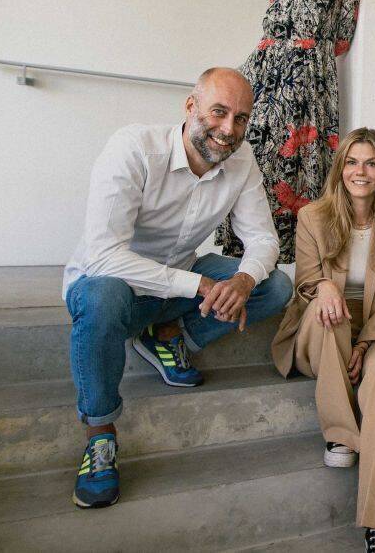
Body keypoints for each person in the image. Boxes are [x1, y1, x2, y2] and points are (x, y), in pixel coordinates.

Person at [63, 68, 293, 509]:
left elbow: (263, 240)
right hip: (113, 286)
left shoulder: (241, 162)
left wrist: (242, 280)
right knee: (103, 298)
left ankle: (166, 334)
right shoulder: (133, 147)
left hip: (176, 282)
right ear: (191, 107)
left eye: (241, 118)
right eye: (219, 112)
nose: (229, 130)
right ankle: (100, 435)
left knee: (275, 286)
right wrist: (204, 284)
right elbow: (105, 256)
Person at [270, 128, 375, 553]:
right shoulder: (313, 216)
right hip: (320, 326)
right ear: (341, 168)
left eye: (371, 163)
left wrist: (367, 343)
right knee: (328, 311)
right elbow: (304, 285)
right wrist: (326, 288)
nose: (361, 171)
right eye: (353, 162)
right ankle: (341, 434)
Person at [217, 0, 363, 264]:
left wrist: (302, 60)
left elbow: (341, 40)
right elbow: (269, 33)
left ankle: (295, 282)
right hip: (263, 87)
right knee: (252, 168)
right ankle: (244, 269)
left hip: (310, 92)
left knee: (303, 179)